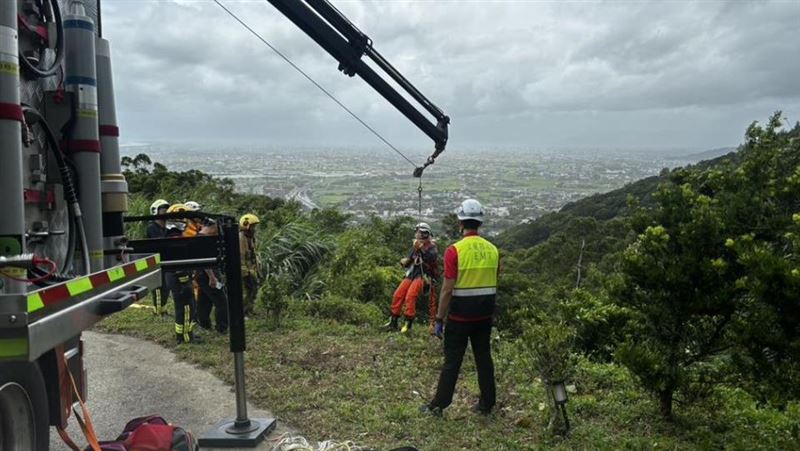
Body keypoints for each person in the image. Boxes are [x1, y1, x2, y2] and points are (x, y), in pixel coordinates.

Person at [422, 199, 499, 417]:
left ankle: (439, 404)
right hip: (484, 316)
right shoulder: (493, 250)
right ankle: (487, 403)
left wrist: (439, 318)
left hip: (460, 317)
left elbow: (447, 289)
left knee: (452, 361)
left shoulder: (454, 250)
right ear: (480, 223)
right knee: (484, 358)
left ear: (460, 222)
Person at [384, 222, 438, 333]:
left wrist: (421, 248)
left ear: (425, 234)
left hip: (423, 275)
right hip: (412, 273)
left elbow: (431, 258)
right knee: (398, 294)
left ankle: (408, 324)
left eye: (419, 232)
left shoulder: (431, 247)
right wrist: (405, 262)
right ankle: (393, 321)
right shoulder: (416, 246)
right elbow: (410, 259)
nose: (417, 234)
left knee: (410, 296)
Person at [165, 203, 201, 344]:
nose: (186, 222)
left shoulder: (174, 234)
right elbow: (178, 257)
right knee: (185, 306)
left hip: (179, 274)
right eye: (184, 219)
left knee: (188, 305)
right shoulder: (174, 236)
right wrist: (183, 276)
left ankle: (187, 333)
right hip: (178, 275)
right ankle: (185, 337)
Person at [196, 219, 229, 334]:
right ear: (212, 227)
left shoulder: (199, 237)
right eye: (216, 229)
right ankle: (222, 328)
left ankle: (204, 324)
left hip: (201, 274)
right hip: (207, 274)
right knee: (221, 302)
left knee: (204, 300)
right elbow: (203, 260)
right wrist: (212, 277)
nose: (216, 232)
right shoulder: (202, 239)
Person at [146, 199, 171, 317]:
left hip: (165, 260)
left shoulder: (166, 228)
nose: (166, 212)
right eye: (163, 210)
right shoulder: (152, 227)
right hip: (155, 261)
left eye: (167, 209)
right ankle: (158, 311)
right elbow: (161, 243)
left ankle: (164, 310)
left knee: (165, 288)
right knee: (158, 287)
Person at [239, 213, 260, 316]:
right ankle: (244, 312)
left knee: (253, 290)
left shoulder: (250, 238)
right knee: (247, 291)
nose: (254, 229)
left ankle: (250, 309)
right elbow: (241, 256)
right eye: (252, 226)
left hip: (251, 269)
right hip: (246, 271)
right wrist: (244, 272)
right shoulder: (241, 238)